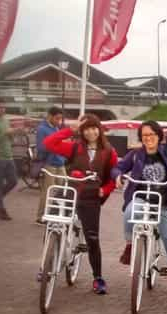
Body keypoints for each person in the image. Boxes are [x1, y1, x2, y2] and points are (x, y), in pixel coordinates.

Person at [113, 89, 167, 297]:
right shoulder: (136, 155)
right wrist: (117, 175)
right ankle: (130, 246)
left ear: (158, 136)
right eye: (144, 135)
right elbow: (119, 167)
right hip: (142, 200)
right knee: (129, 212)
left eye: (152, 135)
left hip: (164, 203)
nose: (148, 138)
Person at [44, 114, 118, 295]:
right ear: (82, 131)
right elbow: (48, 143)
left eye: (94, 128)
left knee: (92, 238)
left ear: (99, 129)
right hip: (70, 192)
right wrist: (71, 129)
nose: (91, 132)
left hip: (91, 196)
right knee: (51, 222)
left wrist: (105, 189)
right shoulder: (74, 147)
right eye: (86, 128)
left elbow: (113, 176)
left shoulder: (109, 151)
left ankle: (98, 278)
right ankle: (45, 266)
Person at [34, 106, 65, 225]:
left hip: (59, 162)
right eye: (57, 118)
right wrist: (55, 145)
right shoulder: (42, 129)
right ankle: (41, 216)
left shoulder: (56, 128)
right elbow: (41, 147)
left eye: (60, 119)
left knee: (64, 188)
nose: (59, 121)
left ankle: (55, 212)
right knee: (48, 191)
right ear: (50, 116)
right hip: (49, 163)